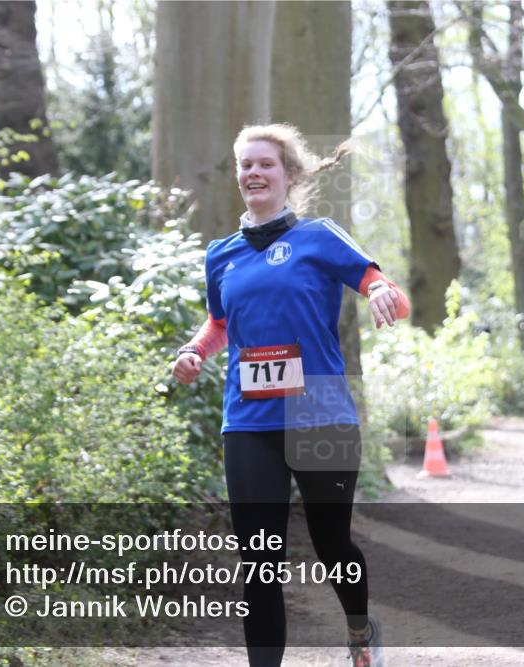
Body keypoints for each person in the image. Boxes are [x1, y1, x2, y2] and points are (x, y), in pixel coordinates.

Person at [171, 123, 410, 667]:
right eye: (245, 165)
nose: (253, 173)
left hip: (319, 414)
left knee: (332, 549)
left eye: (265, 164)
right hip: (249, 421)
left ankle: (357, 627)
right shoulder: (220, 255)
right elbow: (219, 323)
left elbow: (380, 284)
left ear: (290, 175)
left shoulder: (320, 237)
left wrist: (380, 293)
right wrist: (194, 351)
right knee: (259, 564)